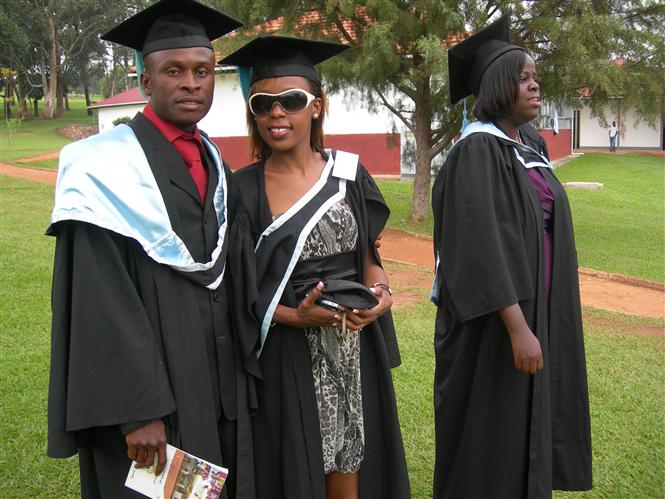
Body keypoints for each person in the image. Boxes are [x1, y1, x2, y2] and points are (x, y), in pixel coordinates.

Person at [46, 1, 260, 497]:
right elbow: (100, 298)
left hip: (218, 383)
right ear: (145, 81)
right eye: (174, 71)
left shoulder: (214, 162)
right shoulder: (100, 169)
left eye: (202, 71)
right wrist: (136, 409)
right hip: (151, 399)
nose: (191, 83)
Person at [219, 36, 411, 499]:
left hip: (351, 346)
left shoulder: (348, 174)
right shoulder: (241, 190)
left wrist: (381, 296)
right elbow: (236, 290)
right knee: (297, 468)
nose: (276, 114)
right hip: (286, 354)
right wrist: (294, 316)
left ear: (317, 107)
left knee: (352, 462)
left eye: (291, 101)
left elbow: (368, 260)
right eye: (263, 104)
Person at [431, 15, 592, 499]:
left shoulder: (532, 147)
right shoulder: (477, 151)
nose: (535, 86)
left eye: (535, 77)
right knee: (490, 437)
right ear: (499, 86)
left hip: (535, 314)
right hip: (495, 328)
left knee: (526, 429)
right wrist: (518, 327)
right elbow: (477, 248)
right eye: (524, 78)